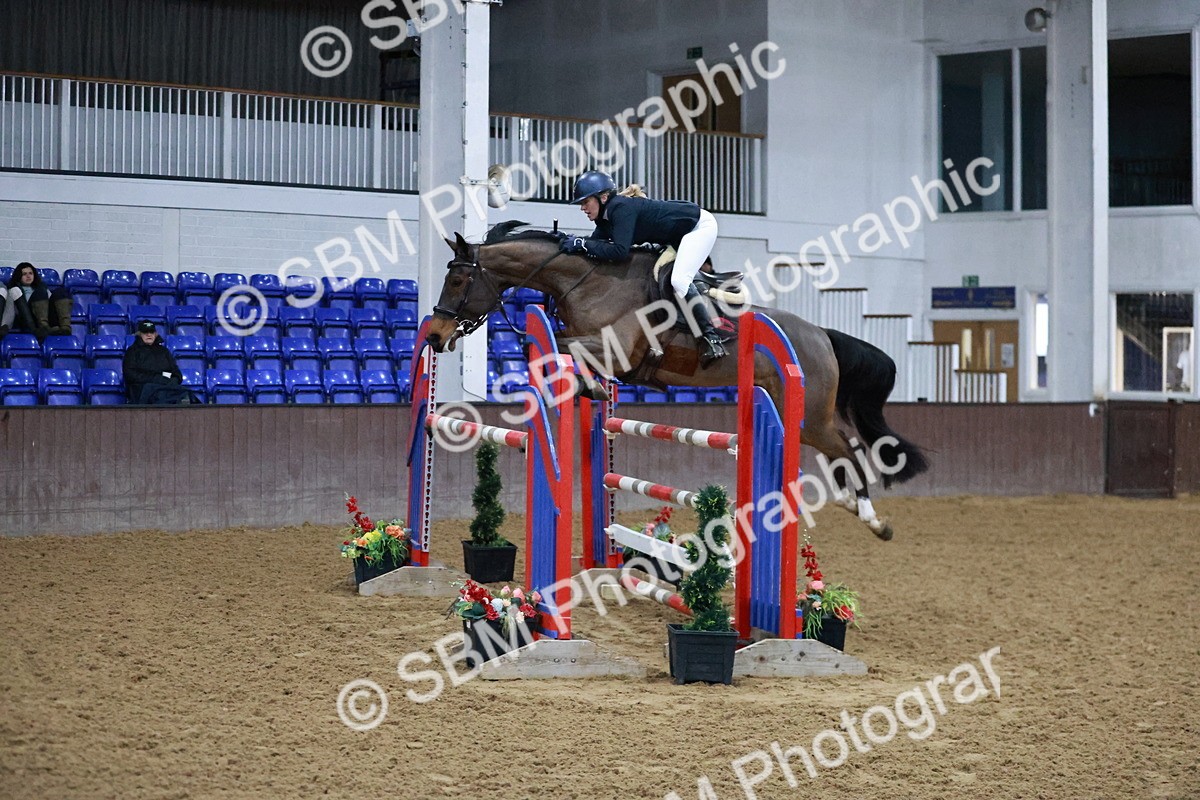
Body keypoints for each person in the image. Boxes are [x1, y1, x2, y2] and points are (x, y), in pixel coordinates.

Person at [561, 170, 727, 365]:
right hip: (677, 236)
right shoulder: (605, 218)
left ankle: (711, 338)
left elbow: (619, 251)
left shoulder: (621, 208)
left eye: (585, 202)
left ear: (603, 197)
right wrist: (568, 245)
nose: (583, 208)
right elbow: (593, 245)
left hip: (699, 227)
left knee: (679, 280)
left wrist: (582, 244)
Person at [123, 320, 192, 404]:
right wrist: (156, 378)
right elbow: (130, 374)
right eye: (145, 332)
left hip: (165, 386)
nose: (149, 334)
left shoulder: (164, 351)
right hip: (143, 389)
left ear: (155, 334)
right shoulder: (132, 351)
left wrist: (175, 379)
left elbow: (175, 371)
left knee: (186, 393)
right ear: (140, 334)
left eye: (151, 332)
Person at [2, 262, 74, 340]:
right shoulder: (14, 289)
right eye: (24, 274)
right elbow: (11, 311)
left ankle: (65, 328)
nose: (28, 276)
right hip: (29, 318)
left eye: (30, 273)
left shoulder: (41, 287)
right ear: (19, 276)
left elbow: (51, 302)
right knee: (40, 292)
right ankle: (44, 327)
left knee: (61, 292)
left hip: (47, 317)